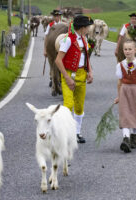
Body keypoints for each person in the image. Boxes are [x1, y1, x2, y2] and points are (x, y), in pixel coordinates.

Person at [55, 15, 94, 143]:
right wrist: (67, 77)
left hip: (82, 73)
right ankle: (65, 134)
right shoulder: (68, 40)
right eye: (88, 26)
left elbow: (86, 58)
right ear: (83, 28)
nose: (89, 28)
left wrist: (90, 71)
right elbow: (58, 60)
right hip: (69, 74)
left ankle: (76, 133)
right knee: (68, 104)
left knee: (79, 106)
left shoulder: (84, 39)